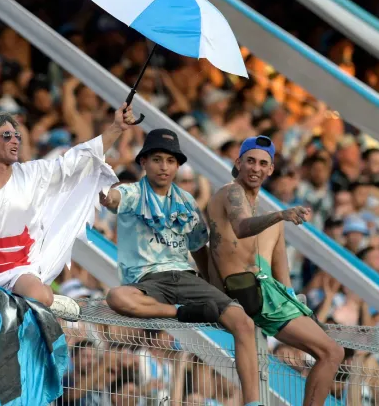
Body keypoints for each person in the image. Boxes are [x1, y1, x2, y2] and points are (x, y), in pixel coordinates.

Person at [98, 129, 262, 406]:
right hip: (147, 280)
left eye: (171, 161)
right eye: (158, 159)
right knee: (116, 297)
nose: (164, 167)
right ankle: (182, 313)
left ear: (177, 165)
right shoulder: (131, 193)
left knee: (243, 322)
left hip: (186, 277)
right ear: (144, 162)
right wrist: (103, 188)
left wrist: (214, 289)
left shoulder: (186, 201)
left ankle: (254, 403)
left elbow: (199, 249)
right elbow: (110, 198)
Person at [0, 104, 132, 314]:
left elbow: (79, 160)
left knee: (40, 296)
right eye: (6, 135)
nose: (15, 140)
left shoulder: (33, 175)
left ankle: (34, 316)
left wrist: (116, 127)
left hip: (17, 271)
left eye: (17, 136)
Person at [206, 135, 344, 406]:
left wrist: (293, 299)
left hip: (264, 290)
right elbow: (241, 227)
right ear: (238, 162)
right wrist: (280, 215)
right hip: (249, 290)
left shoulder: (255, 204)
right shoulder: (231, 192)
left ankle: (293, 302)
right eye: (250, 161)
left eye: (262, 164)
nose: (256, 168)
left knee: (330, 350)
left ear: (270, 170)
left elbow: (276, 265)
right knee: (332, 352)